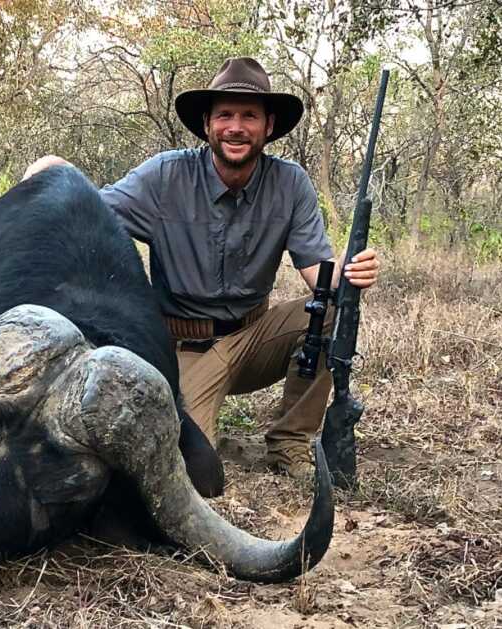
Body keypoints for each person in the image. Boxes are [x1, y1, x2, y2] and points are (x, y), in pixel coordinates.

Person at [22, 57, 380, 479]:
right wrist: (51, 174)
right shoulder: (163, 176)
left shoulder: (291, 182)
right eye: (225, 114)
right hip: (183, 348)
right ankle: (193, 414)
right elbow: (88, 208)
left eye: (249, 116)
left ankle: (289, 444)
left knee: (333, 309)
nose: (236, 127)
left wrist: (351, 271)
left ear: (268, 126)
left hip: (252, 338)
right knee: (194, 467)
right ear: (207, 123)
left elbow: (318, 273)